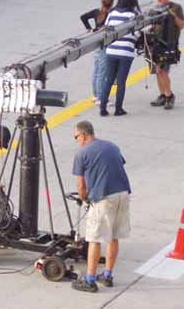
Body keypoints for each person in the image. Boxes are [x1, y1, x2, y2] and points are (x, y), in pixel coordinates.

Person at [71, 121, 131, 293]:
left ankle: (90, 280)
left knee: (94, 239)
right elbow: (115, 166)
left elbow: (81, 186)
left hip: (104, 199)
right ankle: (107, 275)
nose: (77, 141)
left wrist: (84, 198)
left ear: (83, 135)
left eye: (76, 137)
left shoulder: (81, 153)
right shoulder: (112, 146)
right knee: (113, 236)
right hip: (123, 194)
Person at [98, 0, 142, 116]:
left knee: (108, 80)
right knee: (121, 82)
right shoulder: (133, 14)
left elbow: (106, 29)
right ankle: (118, 109)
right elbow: (138, 32)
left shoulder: (112, 13)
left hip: (111, 50)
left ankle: (102, 108)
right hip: (126, 51)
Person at [149, 0, 184, 110]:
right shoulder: (155, 9)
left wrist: (173, 16)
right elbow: (152, 24)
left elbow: (181, 25)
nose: (160, 1)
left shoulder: (176, 7)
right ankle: (162, 95)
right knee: (157, 71)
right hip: (157, 43)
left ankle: (169, 96)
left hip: (169, 44)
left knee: (162, 71)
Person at [79, 0, 114, 105]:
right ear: (112, 3)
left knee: (96, 69)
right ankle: (100, 97)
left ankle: (95, 94)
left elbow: (83, 17)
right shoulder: (111, 14)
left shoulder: (96, 12)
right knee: (102, 72)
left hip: (96, 42)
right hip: (106, 44)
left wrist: (90, 29)